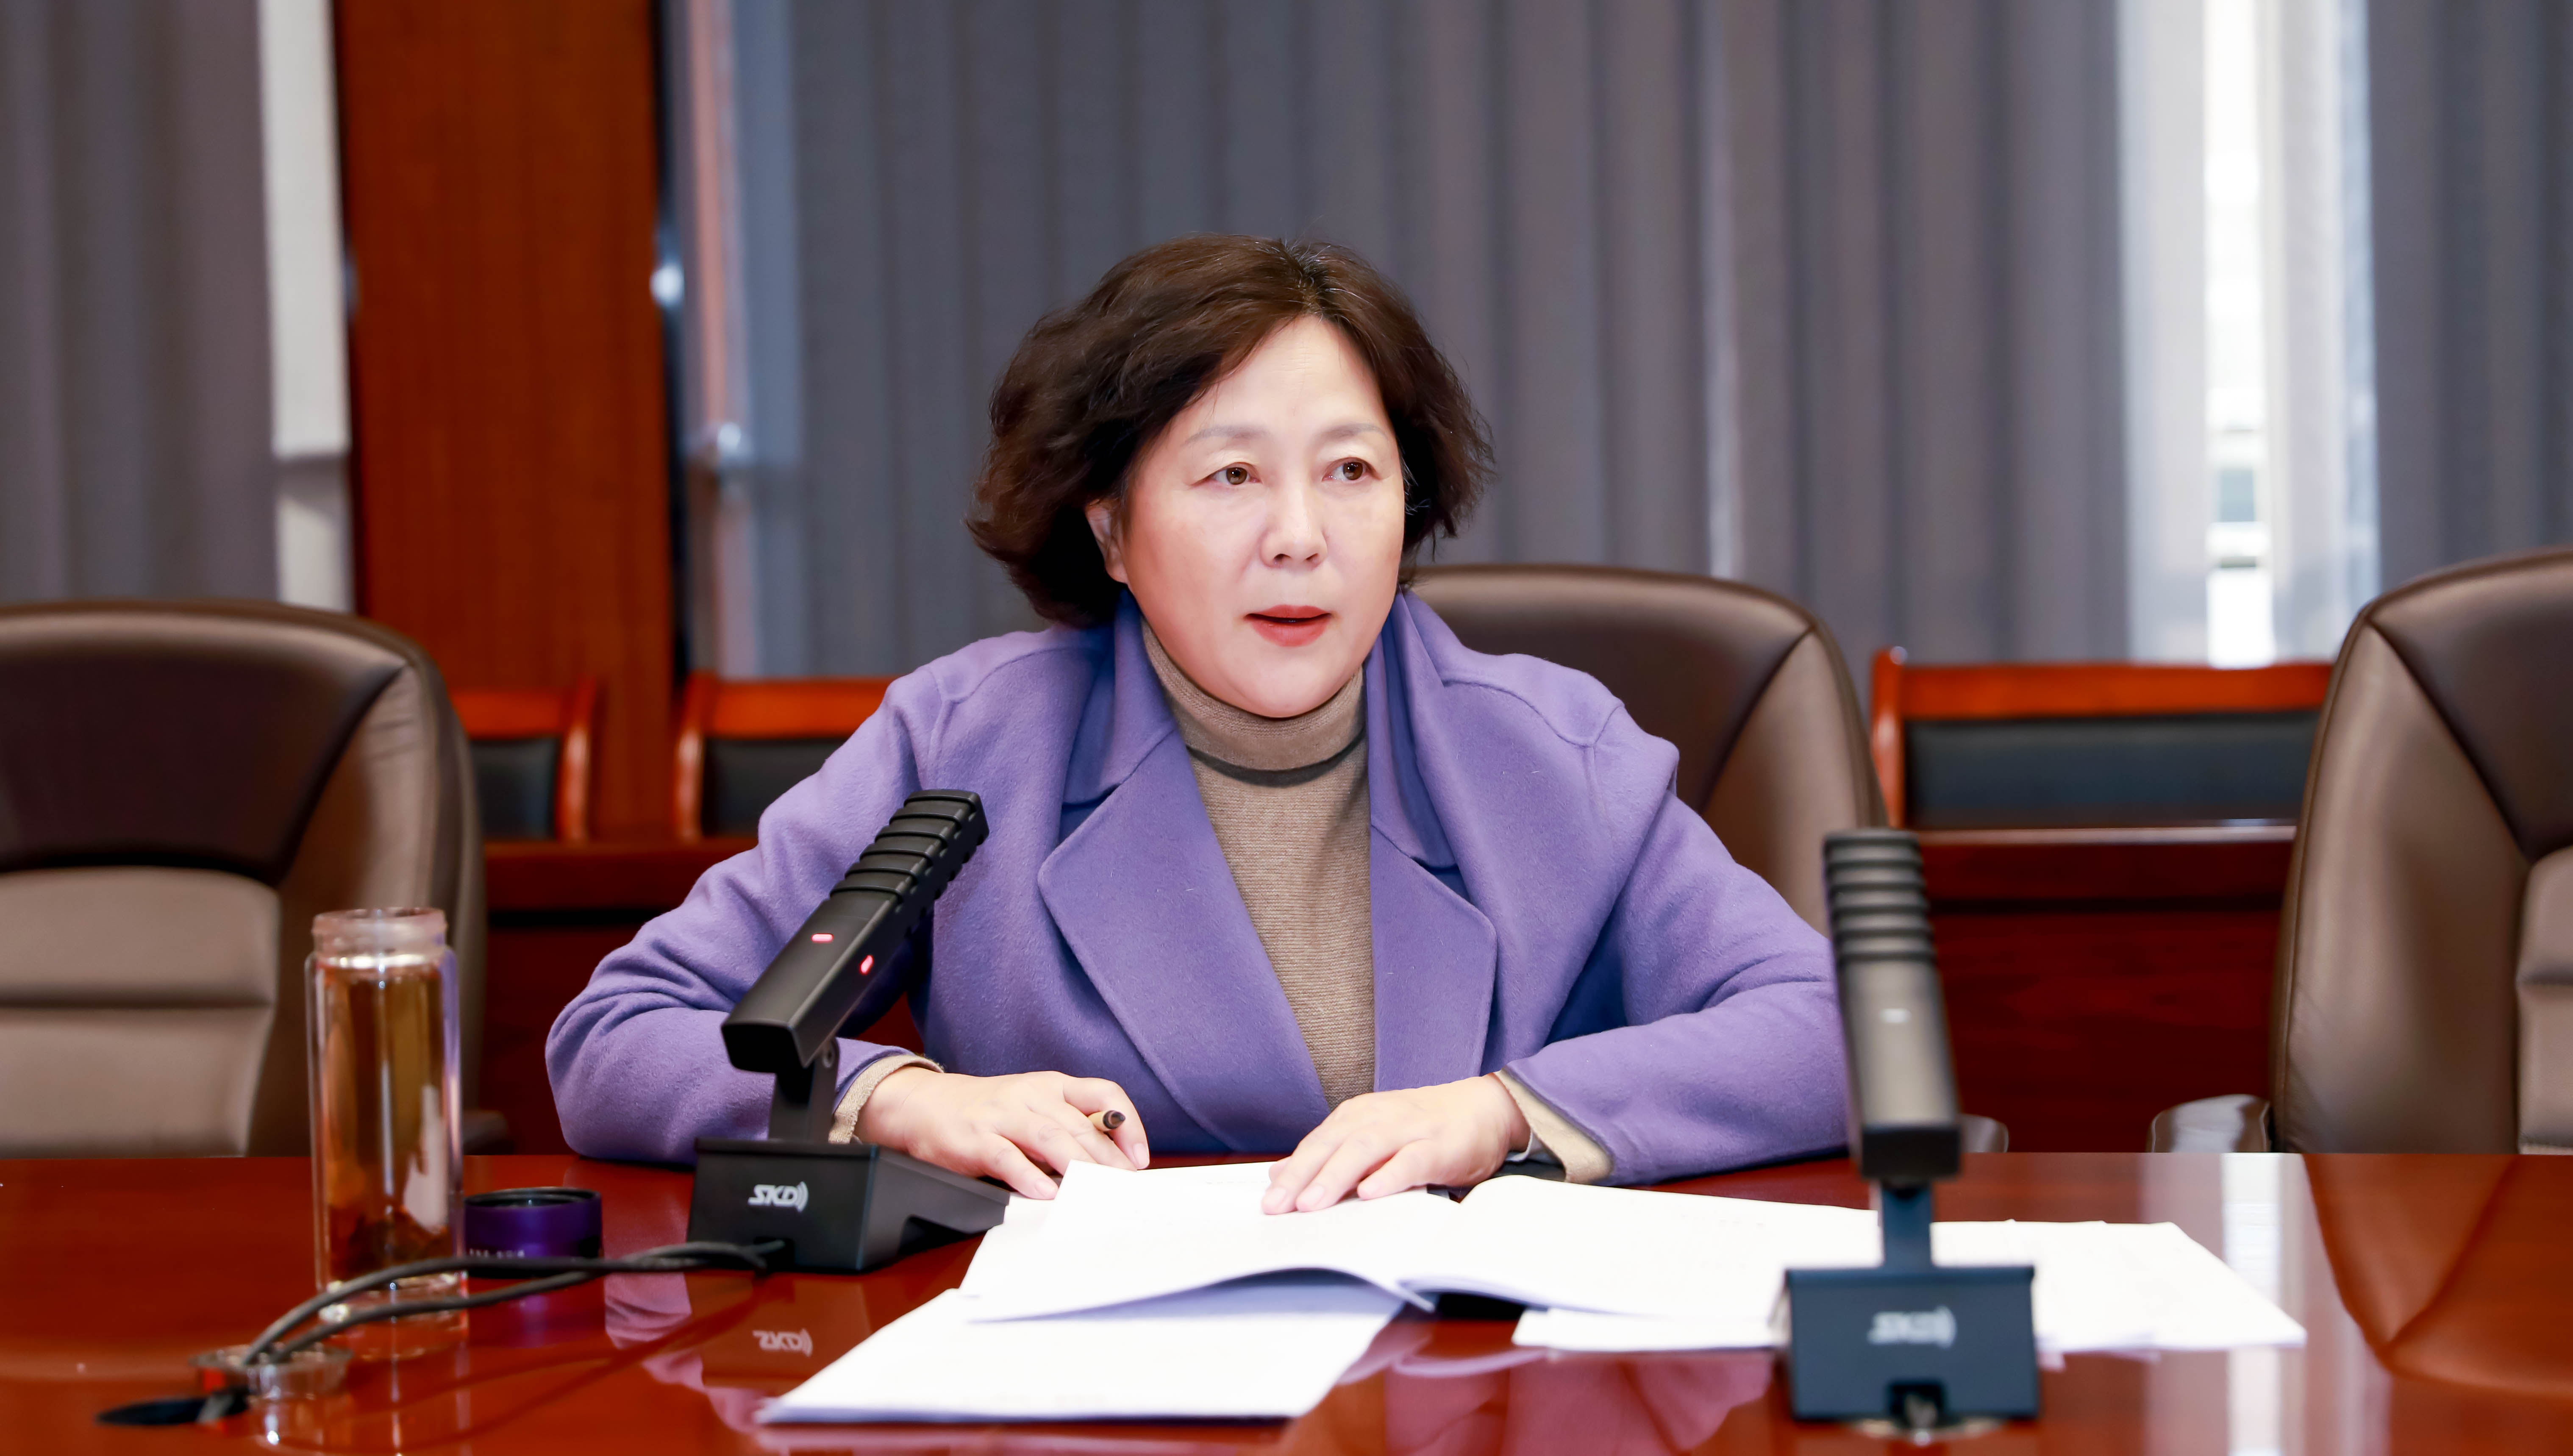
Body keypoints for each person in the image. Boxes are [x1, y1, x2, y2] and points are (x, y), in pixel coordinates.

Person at [548, 235, 1844, 1211]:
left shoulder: (1550, 754)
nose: (1301, 536)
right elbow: (619, 1032)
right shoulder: (965, 744)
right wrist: (893, 1098)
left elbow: (1829, 1030)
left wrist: (1505, 1111)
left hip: (1467, 1389)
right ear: (1110, 528)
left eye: (1352, 470)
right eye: (1232, 474)